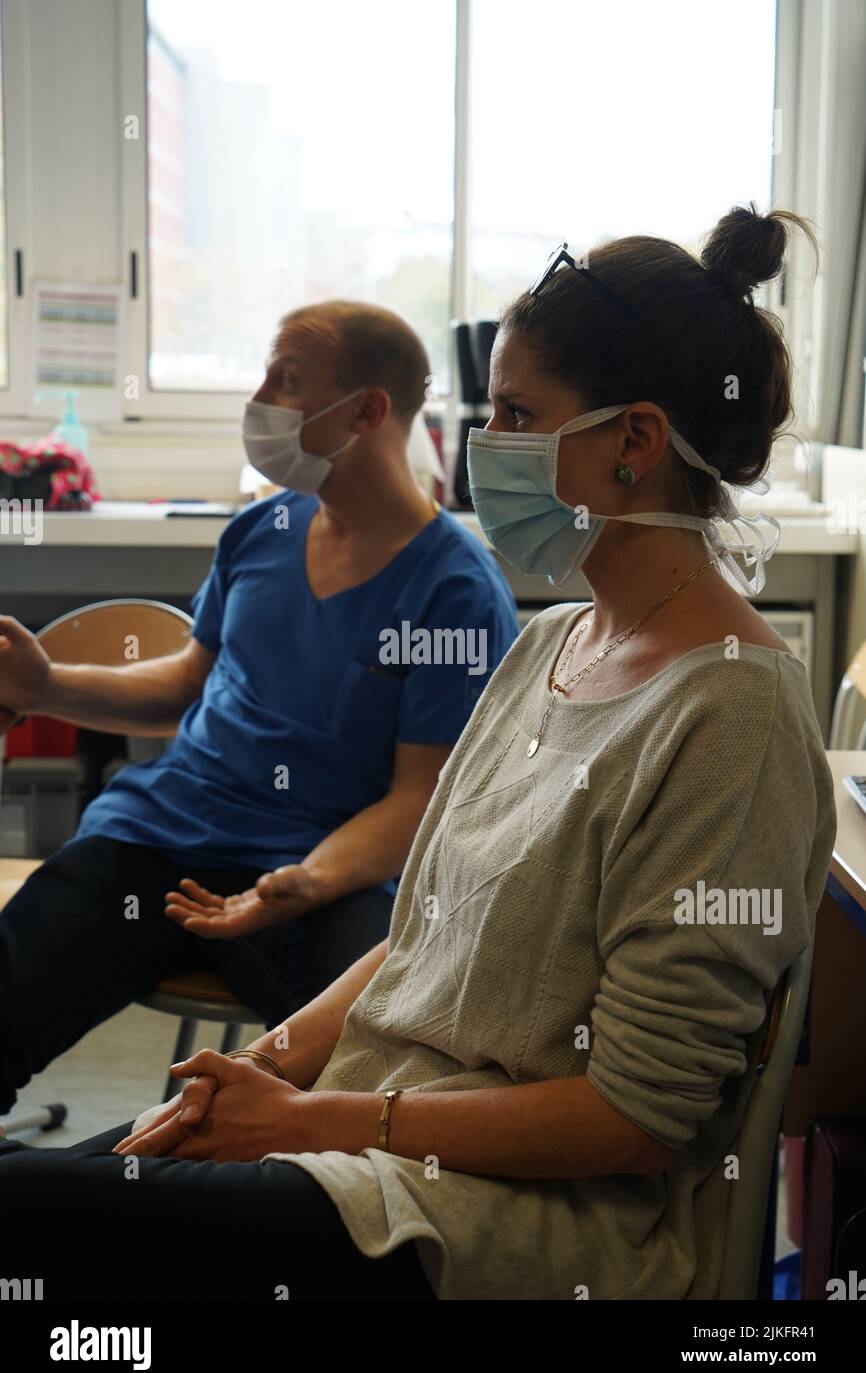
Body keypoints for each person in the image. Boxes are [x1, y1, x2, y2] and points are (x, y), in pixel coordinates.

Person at [0, 205, 837, 1302]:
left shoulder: (729, 720)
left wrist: (310, 1118)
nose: (485, 452)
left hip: (502, 1215)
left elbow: (632, 1120)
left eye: (517, 415)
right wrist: (268, 1063)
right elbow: (422, 933)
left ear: (633, 442)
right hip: (366, 1133)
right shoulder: (551, 643)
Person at [0, 300, 519, 1118]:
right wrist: (45, 686)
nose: (261, 398)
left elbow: (419, 802)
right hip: (159, 838)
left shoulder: (454, 591)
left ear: (367, 411)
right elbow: (182, 686)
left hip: (322, 873)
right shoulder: (263, 530)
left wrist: (303, 883)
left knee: (365, 1087)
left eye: (286, 379)